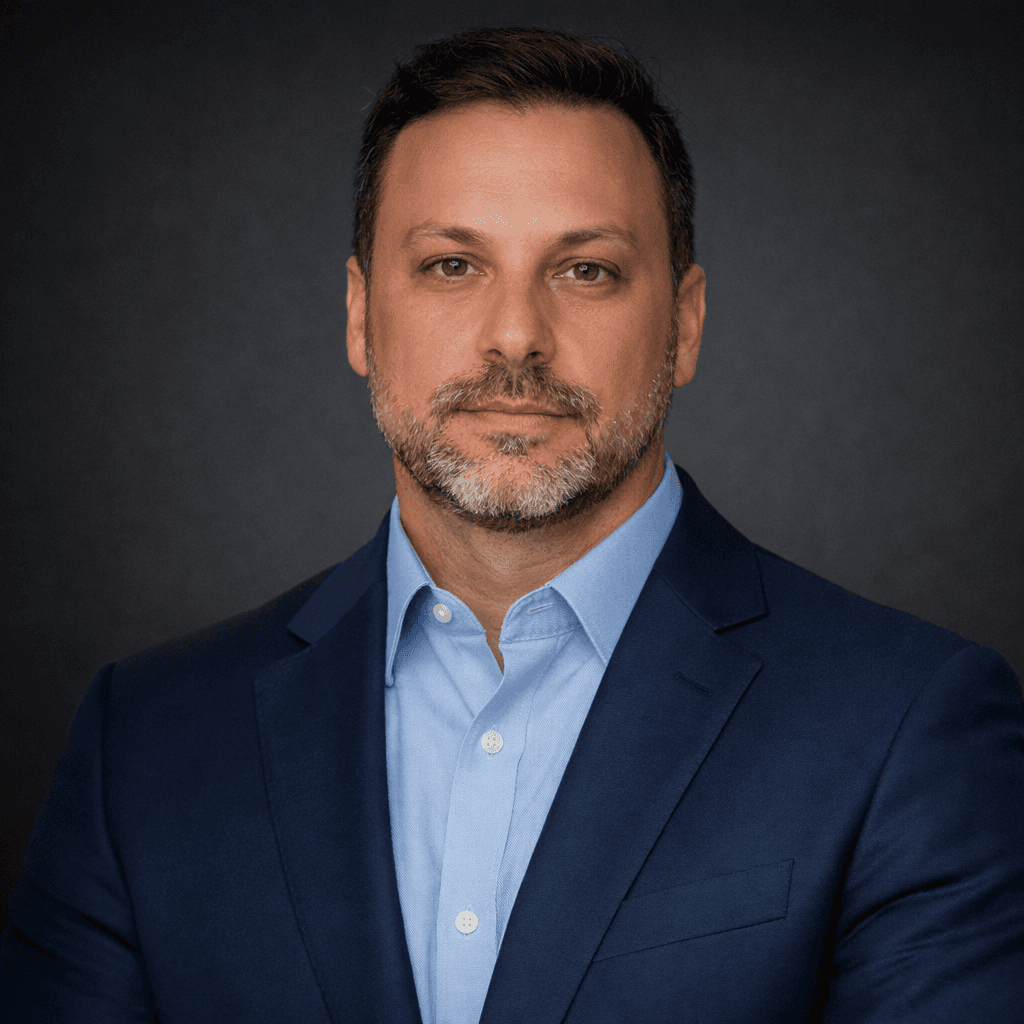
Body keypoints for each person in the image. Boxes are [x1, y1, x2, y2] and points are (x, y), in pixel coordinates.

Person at [2, 25, 1022, 1024]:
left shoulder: (907, 726)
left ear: (685, 325)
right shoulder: (145, 742)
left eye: (586, 270)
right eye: (452, 264)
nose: (516, 338)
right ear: (360, 316)